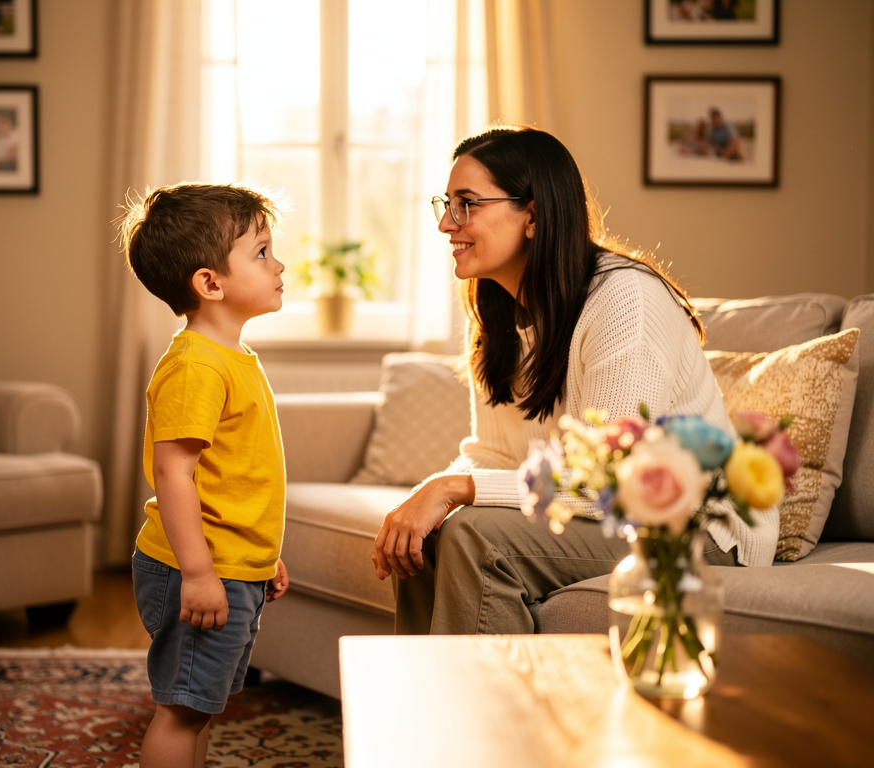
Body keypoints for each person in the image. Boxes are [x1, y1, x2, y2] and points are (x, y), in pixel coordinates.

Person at [371, 125, 778, 635]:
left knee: (474, 534)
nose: (446, 224)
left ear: (534, 216)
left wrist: (453, 488)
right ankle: (434, 707)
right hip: (606, 520)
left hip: (692, 530)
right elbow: (495, 454)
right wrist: (430, 498)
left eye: (467, 204)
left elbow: (609, 479)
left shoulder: (625, 300)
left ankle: (493, 713)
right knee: (426, 536)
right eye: (446, 203)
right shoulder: (496, 313)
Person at [119, 182, 291, 768]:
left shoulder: (231, 357)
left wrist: (260, 555)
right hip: (193, 567)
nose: (279, 264)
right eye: (262, 253)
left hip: (228, 563)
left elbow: (234, 478)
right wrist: (197, 572)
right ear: (210, 283)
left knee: (203, 705)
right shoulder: (195, 365)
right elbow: (173, 475)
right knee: (183, 708)